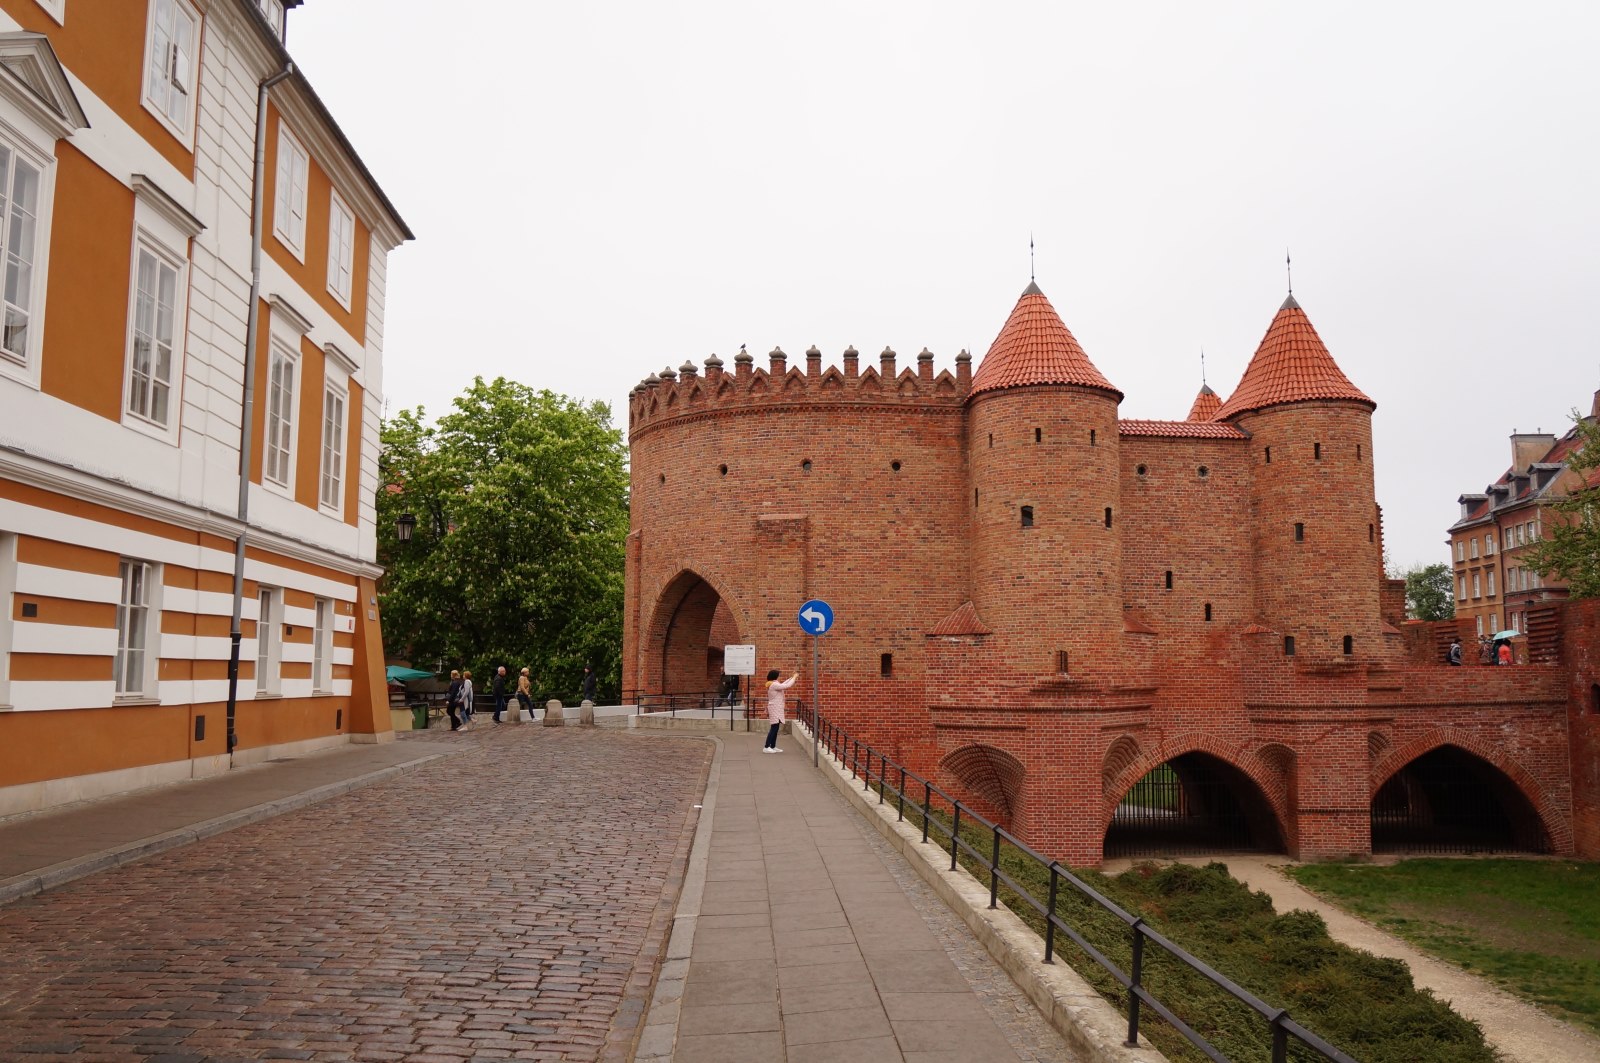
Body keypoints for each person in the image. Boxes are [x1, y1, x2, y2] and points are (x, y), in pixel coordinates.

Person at [763, 667, 798, 753]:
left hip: (776, 707)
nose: (779, 677)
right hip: (774, 707)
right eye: (778, 676)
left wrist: (792, 677)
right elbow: (786, 686)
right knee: (774, 727)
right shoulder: (773, 685)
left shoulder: (774, 683)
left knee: (776, 727)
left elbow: (783, 684)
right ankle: (767, 747)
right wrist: (794, 677)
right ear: (775, 676)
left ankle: (773, 746)